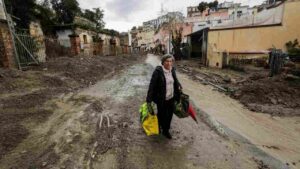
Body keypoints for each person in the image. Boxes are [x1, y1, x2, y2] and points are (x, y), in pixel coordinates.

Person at [146, 54, 182, 139]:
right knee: (161, 114)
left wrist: (179, 86)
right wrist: (149, 99)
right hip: (161, 98)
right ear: (163, 62)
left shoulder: (172, 70)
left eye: (170, 61)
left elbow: (175, 80)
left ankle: (166, 130)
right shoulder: (158, 71)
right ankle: (159, 126)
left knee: (169, 115)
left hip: (171, 97)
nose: (169, 63)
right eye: (167, 61)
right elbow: (152, 85)